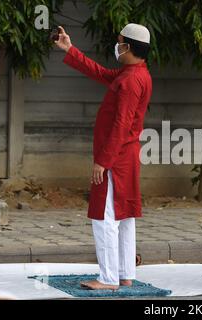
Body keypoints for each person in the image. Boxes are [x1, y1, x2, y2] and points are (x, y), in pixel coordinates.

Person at [54, 24, 152, 290]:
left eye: (119, 41)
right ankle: (125, 274)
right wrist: (70, 50)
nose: (116, 45)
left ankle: (108, 278)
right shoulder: (132, 73)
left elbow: (121, 124)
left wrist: (103, 161)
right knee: (124, 216)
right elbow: (100, 73)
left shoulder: (131, 80)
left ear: (128, 47)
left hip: (116, 158)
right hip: (125, 155)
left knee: (104, 216)